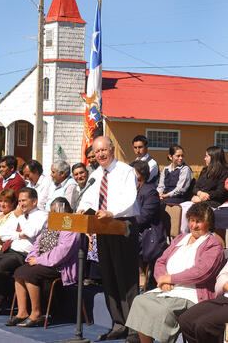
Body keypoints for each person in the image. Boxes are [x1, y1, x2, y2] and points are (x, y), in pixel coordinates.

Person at [125, 203, 225, 343]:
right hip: (169, 288)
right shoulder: (180, 238)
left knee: (162, 309)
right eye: (191, 220)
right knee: (140, 301)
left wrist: (170, 278)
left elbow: (201, 272)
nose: (194, 225)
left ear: (208, 223)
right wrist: (162, 279)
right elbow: (161, 261)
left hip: (192, 293)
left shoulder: (213, 243)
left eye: (199, 221)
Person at [78, 136, 139, 341]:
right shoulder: (95, 175)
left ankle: (133, 328)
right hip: (103, 228)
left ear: (112, 150)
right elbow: (88, 199)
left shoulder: (125, 171)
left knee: (126, 279)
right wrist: (81, 210)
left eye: (104, 150)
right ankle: (118, 323)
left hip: (122, 226)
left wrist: (111, 212)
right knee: (109, 278)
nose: (101, 154)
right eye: (97, 152)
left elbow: (129, 199)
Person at [0, 187, 48, 315]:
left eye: (24, 201)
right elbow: (2, 232)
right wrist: (18, 234)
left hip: (24, 255)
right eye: (20, 201)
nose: (21, 204)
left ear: (34, 202)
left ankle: (5, 299)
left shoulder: (41, 215)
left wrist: (19, 222)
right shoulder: (18, 215)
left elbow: (29, 232)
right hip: (9, 251)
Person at [5, 197, 80, 327]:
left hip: (59, 265)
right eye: (52, 212)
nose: (54, 215)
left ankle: (36, 314)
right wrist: (32, 257)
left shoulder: (71, 224)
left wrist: (39, 260)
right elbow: (38, 242)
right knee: (19, 272)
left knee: (29, 274)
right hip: (42, 261)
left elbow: (63, 251)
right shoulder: (50, 222)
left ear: (66, 210)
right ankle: (22, 312)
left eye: (57, 211)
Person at [131, 160, 167, 286]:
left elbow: (143, 217)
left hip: (149, 233)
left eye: (132, 172)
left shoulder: (150, 191)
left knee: (127, 237)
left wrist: (126, 222)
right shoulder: (130, 190)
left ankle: (141, 274)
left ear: (140, 175)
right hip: (135, 228)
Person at [180, 146, 228, 232]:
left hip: (213, 202)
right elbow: (195, 187)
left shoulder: (224, 172)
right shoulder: (205, 170)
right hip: (199, 200)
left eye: (207, 156)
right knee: (180, 208)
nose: (204, 158)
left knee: (187, 211)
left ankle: (188, 236)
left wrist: (206, 196)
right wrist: (199, 193)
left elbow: (221, 192)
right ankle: (183, 237)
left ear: (213, 157)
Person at [179, 261, 228, 343]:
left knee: (205, 325)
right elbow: (223, 275)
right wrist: (225, 285)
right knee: (186, 320)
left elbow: (203, 271)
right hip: (225, 296)